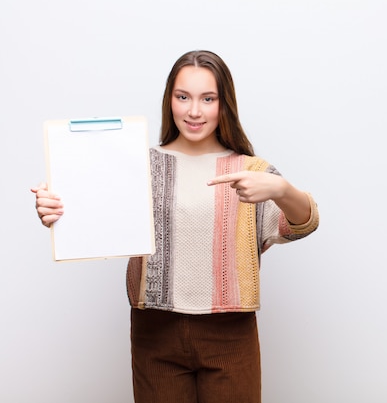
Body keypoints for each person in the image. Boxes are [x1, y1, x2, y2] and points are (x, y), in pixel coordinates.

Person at [31, 50, 319, 403]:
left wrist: (282, 189)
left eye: (207, 99)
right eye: (183, 97)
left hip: (230, 334)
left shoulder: (250, 170)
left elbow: (303, 223)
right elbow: (92, 215)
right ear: (170, 100)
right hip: (155, 331)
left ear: (223, 103)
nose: (194, 111)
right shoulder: (139, 166)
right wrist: (56, 210)